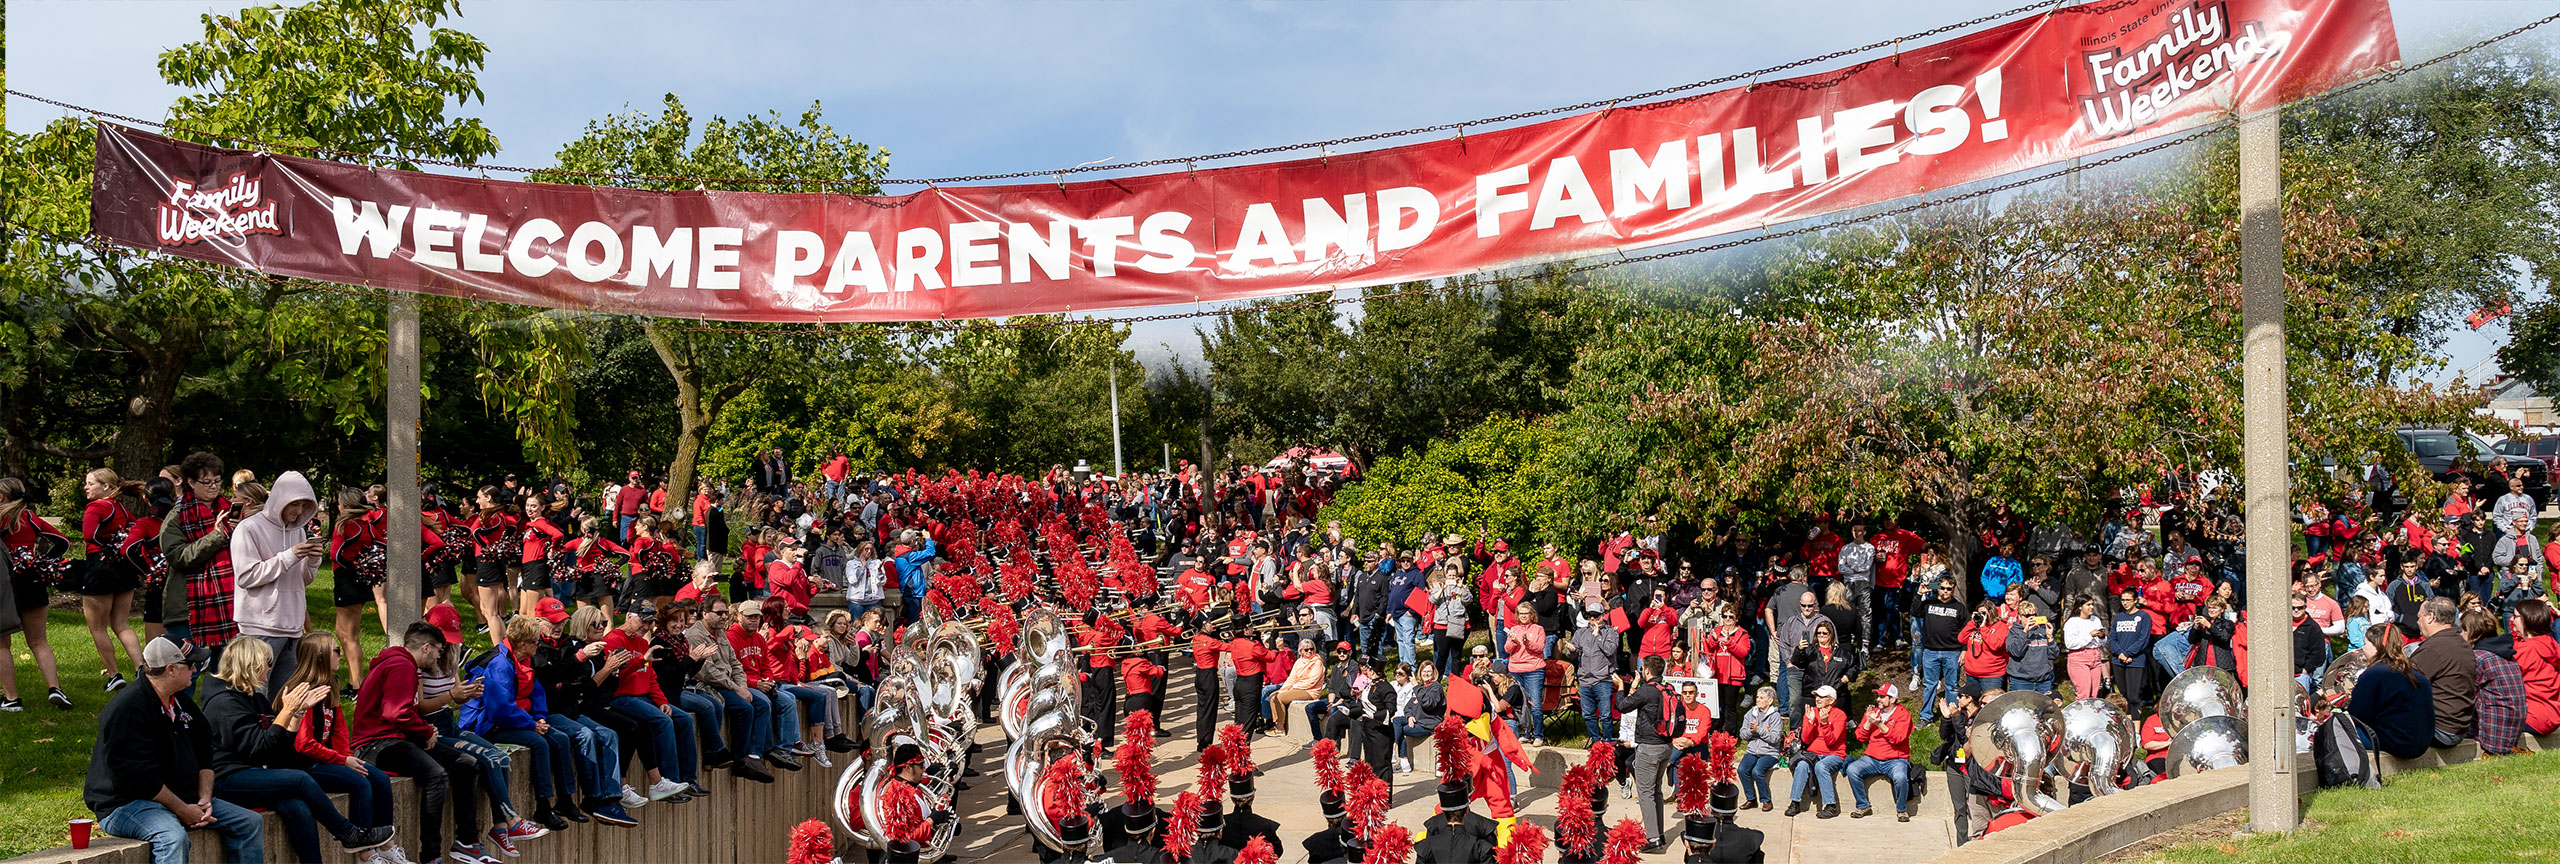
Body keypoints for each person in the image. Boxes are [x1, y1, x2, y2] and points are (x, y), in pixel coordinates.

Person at [204, 637, 395, 863]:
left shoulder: (253, 697)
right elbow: (259, 748)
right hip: (228, 778)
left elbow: (279, 749)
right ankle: (348, 834)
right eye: (266, 661)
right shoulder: (224, 704)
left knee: (298, 808)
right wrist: (288, 712)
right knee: (300, 779)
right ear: (250, 665)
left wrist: (295, 716)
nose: (269, 667)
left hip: (255, 772)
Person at [85, 637, 266, 863]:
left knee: (249, 822)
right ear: (171, 669)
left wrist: (204, 799)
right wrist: (182, 810)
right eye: (191, 665)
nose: (195, 670)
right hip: (126, 804)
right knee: (171, 838)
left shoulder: (181, 702)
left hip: (183, 798)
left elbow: (206, 754)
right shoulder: (127, 710)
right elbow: (140, 779)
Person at [352, 622, 500, 864]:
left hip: (397, 738)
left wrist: (423, 729)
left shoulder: (403, 665)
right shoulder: (402, 666)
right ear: (426, 648)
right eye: (439, 650)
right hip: (376, 744)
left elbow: (402, 712)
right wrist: (423, 731)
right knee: (437, 776)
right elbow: (395, 713)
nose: (440, 656)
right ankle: (431, 856)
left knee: (466, 763)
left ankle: (467, 841)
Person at [460, 615, 583, 831]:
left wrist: (540, 717)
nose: (539, 644)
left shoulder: (524, 659)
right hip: (488, 725)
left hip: (518, 719)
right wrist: (532, 725)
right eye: (536, 641)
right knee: (539, 743)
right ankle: (543, 805)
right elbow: (500, 710)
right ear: (523, 644)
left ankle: (566, 799)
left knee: (561, 738)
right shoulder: (499, 665)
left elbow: (536, 693)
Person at [536, 604, 643, 825]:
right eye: (595, 624)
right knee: (588, 734)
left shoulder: (570, 646)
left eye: (603, 623)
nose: (558, 626)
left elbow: (580, 684)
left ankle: (611, 799)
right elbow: (563, 682)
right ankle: (593, 799)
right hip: (551, 712)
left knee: (614, 732)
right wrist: (583, 662)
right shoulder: (557, 647)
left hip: (573, 707)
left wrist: (611, 669)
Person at [228, 471, 325, 703]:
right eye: (294, 504)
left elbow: (301, 580)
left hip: (292, 626)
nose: (299, 511)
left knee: (282, 699)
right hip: (259, 626)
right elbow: (246, 576)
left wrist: (313, 561)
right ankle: (253, 738)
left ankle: (276, 737)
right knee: (254, 696)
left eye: (304, 505)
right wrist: (288, 556)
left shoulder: (298, 530)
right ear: (280, 499)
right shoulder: (248, 528)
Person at [685, 599, 780, 783]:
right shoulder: (695, 635)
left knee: (761, 703)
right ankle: (739, 759)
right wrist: (736, 688)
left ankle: (755, 755)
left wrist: (742, 686)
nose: (723, 617)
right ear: (705, 614)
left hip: (729, 682)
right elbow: (708, 672)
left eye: (725, 613)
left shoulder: (720, 633)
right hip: (708, 684)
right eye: (719, 613)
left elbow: (735, 663)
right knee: (745, 708)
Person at [0, 476, 71, 710]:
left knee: (2, 644)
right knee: (39, 641)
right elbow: (62, 542)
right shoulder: (30, 517)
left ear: (2, 496)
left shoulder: (3, 518)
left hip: (6, 583)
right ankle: (55, 688)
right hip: (32, 579)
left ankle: (11, 699)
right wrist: (40, 561)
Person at [78, 470, 150, 694]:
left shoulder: (96, 507)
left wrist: (106, 545)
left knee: (97, 627)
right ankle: (141, 668)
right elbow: (135, 530)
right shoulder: (121, 508)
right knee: (121, 624)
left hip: (100, 568)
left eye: (90, 484)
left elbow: (89, 535)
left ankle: (114, 674)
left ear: (107, 487)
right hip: (123, 569)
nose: (86, 487)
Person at [2347, 625, 2436, 760]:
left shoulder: (2374, 674)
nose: (2363, 648)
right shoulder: (2415, 672)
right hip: (2421, 742)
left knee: (2337, 730)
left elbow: (2358, 715)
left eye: (2366, 644)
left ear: (2377, 647)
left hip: (2397, 743)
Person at [2407, 596, 2476, 746]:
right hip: (2458, 727)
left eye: (2419, 617)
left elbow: (2403, 686)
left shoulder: (2433, 649)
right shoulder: (2461, 643)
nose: (2418, 622)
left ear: (2430, 617)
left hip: (2440, 730)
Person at [1844, 684, 1914, 822]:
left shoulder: (1903, 714)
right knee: (1852, 769)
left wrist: (1880, 724)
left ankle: (1901, 810)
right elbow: (1860, 737)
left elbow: (1898, 738)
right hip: (1872, 758)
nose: (1878, 699)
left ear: (1893, 699)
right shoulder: (1872, 712)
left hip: (1896, 759)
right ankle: (1863, 805)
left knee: (1900, 777)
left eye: (1882, 696)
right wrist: (1869, 723)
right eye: (1878, 696)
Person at [2464, 609, 2528, 754]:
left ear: (2470, 632)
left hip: (2491, 738)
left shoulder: (2478, 658)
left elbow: (2463, 695)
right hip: (2513, 733)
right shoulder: (2508, 654)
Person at [1786, 685, 1848, 819]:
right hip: (1813, 753)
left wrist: (1825, 724)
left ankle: (1831, 806)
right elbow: (1806, 739)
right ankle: (1795, 802)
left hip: (1834, 754)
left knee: (1821, 766)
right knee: (1802, 765)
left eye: (1822, 696)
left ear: (1831, 700)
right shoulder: (1812, 712)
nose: (1817, 699)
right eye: (1816, 696)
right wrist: (1810, 722)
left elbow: (1832, 742)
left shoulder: (1839, 715)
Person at [1914, 581, 1965, 722]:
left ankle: (1951, 715)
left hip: (1953, 652)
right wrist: (1919, 594)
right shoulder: (1929, 603)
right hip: (1931, 651)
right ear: (1938, 589)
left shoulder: (1959, 608)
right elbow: (1915, 611)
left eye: (1949, 588)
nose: (1945, 591)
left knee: (1952, 685)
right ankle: (1926, 716)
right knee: (1930, 684)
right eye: (1942, 588)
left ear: (1953, 589)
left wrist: (1964, 650)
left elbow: (1966, 630)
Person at [1501, 601, 1549, 745]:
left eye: (1525, 613)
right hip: (1516, 670)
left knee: (1535, 704)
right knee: (1521, 705)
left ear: (1531, 615)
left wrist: (1527, 642)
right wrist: (1514, 642)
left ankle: (1539, 735)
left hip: (1534, 670)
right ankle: (1525, 733)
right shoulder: (1513, 629)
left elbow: (1539, 648)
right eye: (1520, 613)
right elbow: (1507, 649)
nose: (1523, 616)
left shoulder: (1538, 629)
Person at [2512, 598, 2560, 736]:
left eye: (2515, 616)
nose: (2512, 619)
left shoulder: (2524, 650)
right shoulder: (2550, 643)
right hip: (2553, 714)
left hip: (2532, 717)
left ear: (2528, 619)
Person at [1735, 686, 1782, 811]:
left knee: (1757, 771)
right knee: (1742, 770)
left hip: (1769, 753)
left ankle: (1766, 800)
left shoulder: (1775, 716)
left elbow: (1775, 738)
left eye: (1761, 698)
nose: (1758, 700)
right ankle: (1751, 799)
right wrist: (1751, 731)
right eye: (1757, 697)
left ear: (1770, 701)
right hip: (1752, 751)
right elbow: (1743, 734)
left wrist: (1759, 730)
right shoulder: (1751, 713)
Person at [1267, 639, 1325, 737]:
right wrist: (1283, 689)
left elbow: (1312, 681)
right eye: (1306, 650)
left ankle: (1281, 729)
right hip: (1297, 687)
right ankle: (1276, 724)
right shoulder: (1299, 661)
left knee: (1279, 698)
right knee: (1273, 695)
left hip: (1310, 691)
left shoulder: (1317, 662)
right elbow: (1291, 678)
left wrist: (1294, 687)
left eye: (1311, 649)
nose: (1309, 651)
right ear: (1301, 651)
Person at [1959, 601, 2012, 693]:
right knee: (1974, 704)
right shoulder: (1975, 626)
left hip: (1992, 676)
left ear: (1991, 612)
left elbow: (1995, 645)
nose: (1982, 616)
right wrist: (1972, 622)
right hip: (1971, 674)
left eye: (1984, 613)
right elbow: (1961, 639)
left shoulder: (2001, 626)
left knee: (1990, 705)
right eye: (1979, 613)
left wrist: (1983, 628)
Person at [2063, 596, 2107, 698]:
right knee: (2084, 693)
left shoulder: (2095, 619)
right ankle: (2080, 713)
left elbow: (2102, 643)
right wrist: (2089, 635)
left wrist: (2102, 637)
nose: (2091, 607)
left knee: (2094, 693)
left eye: (2092, 604)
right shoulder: (2072, 622)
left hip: (2095, 656)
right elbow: (2070, 644)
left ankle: (2091, 713)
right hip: (2079, 657)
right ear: (2080, 607)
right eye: (2088, 605)